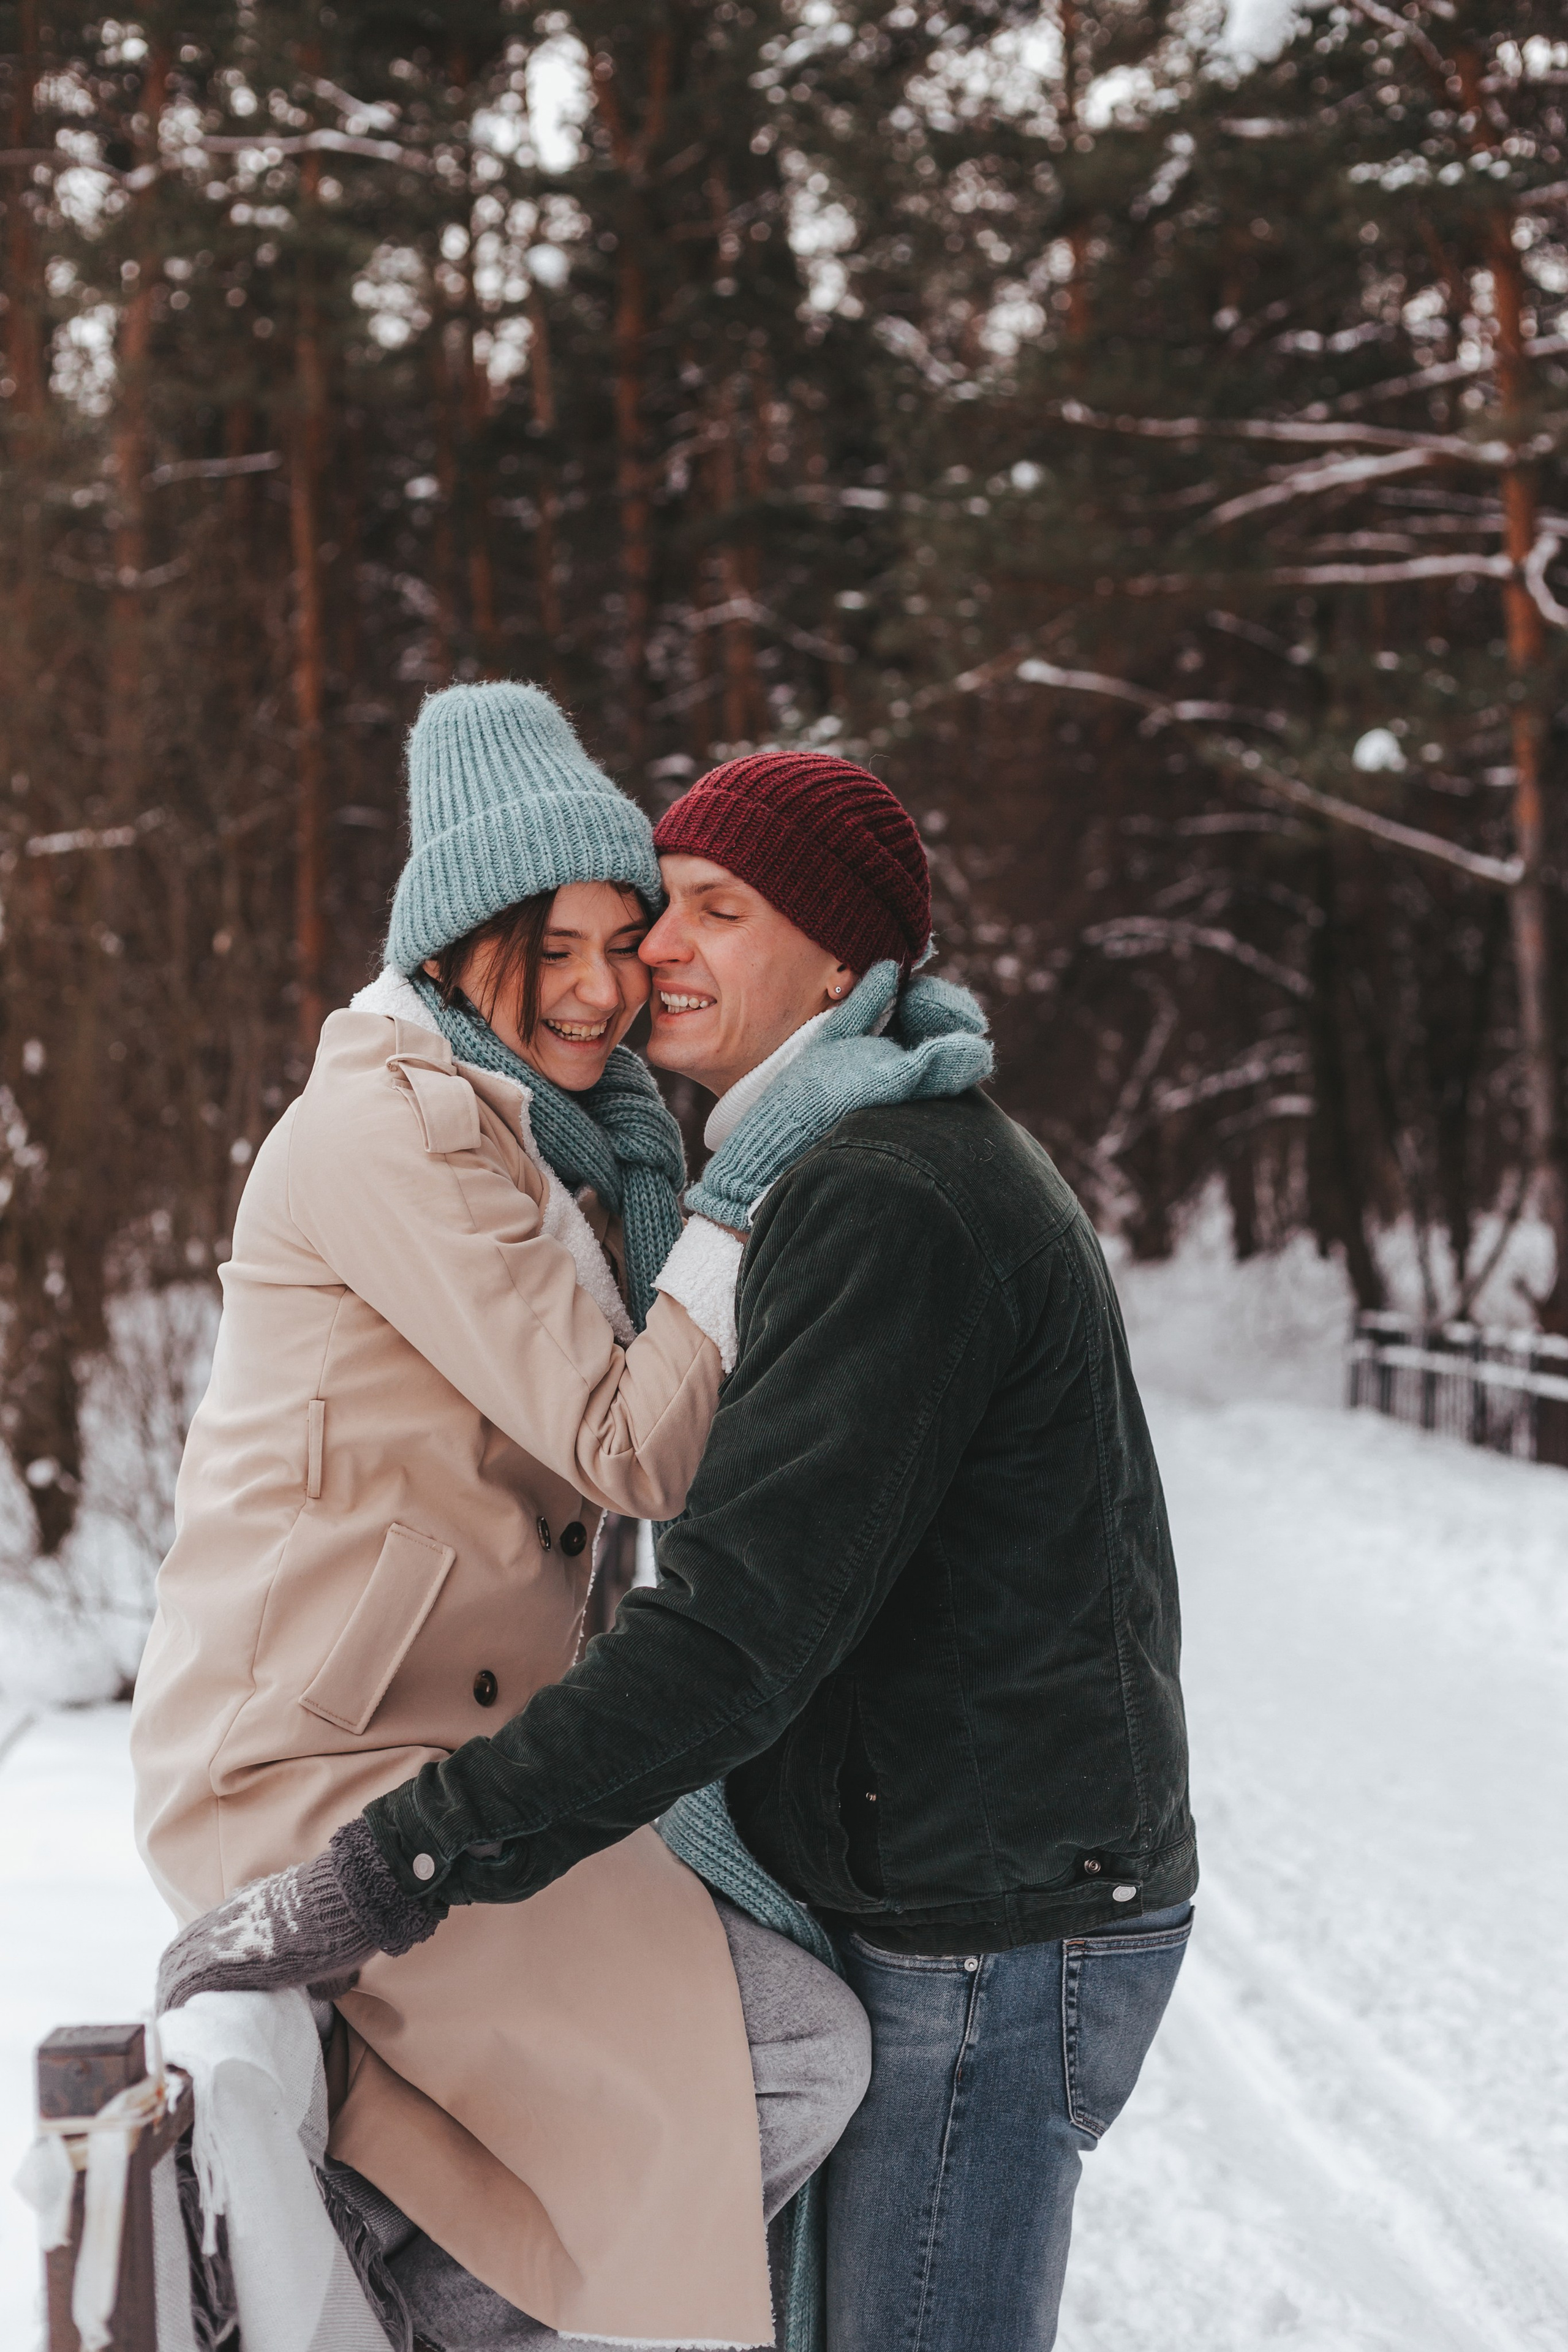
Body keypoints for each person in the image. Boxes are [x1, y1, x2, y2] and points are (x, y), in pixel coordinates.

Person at [157, 747, 1196, 2352]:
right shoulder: (831, 1165)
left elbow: (732, 1628)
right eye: (652, 918)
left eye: (710, 912)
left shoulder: (882, 1194)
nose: (649, 963)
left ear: (843, 963)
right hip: (961, 1886)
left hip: (995, 1926)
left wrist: (411, 1855)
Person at [132, 692, 869, 2352]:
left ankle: (374, 2283)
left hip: (444, 1754)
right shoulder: (391, 1130)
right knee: (801, 2052)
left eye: (625, 941)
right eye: (559, 946)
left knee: (756, 2015)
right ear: (470, 943)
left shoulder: (548, 1146)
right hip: (309, 1768)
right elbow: (631, 1442)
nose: (607, 988)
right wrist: (750, 1185)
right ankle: (384, 2311)